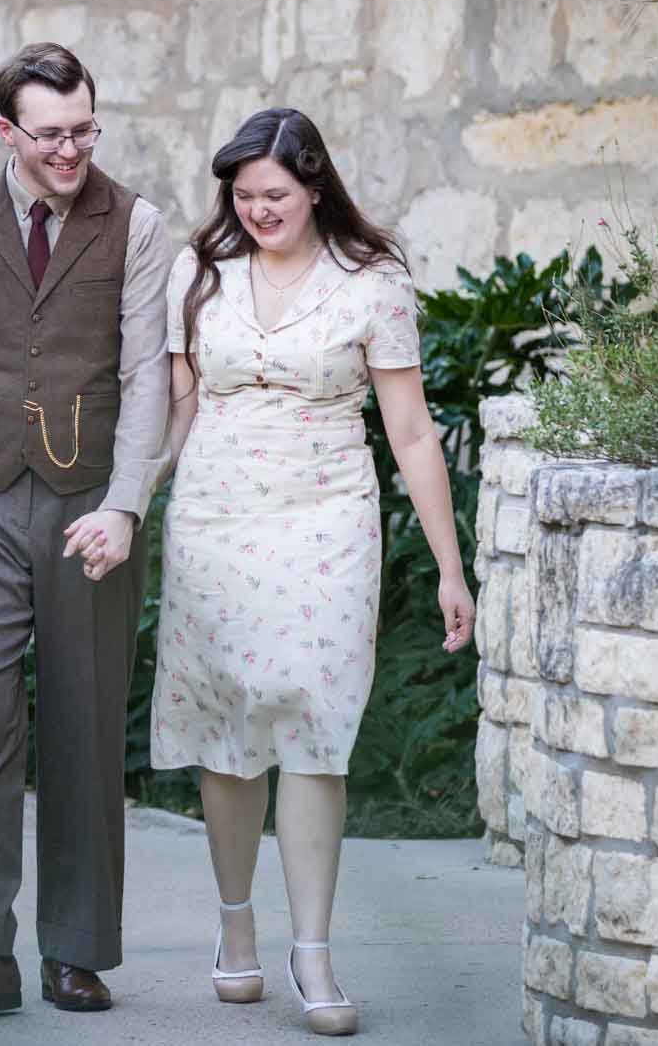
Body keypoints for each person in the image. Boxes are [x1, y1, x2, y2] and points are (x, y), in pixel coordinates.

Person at [151, 107, 475, 1037]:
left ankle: (315, 950)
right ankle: (236, 928)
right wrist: (126, 503)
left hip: (327, 520)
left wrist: (452, 568)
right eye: (243, 196)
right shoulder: (198, 274)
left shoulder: (374, 283)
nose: (257, 210)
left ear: (316, 186)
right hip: (214, 519)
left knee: (314, 723)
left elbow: (410, 434)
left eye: (275, 195)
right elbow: (178, 412)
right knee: (226, 724)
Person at [0, 42, 174, 1018]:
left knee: (85, 721)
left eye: (84, 129)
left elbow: (148, 378)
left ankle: (75, 950)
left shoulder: (136, 227)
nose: (70, 150)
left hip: (86, 497)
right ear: (6, 131)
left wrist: (124, 502)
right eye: (51, 134)